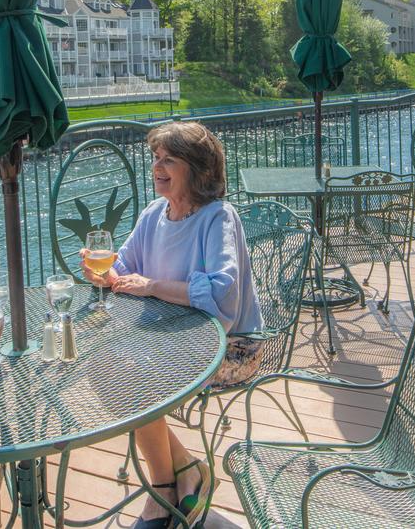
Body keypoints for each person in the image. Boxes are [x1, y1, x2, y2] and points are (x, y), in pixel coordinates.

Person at [80, 121, 261, 529]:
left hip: (230, 347)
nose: (157, 168)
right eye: (155, 159)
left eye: (170, 160)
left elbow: (222, 294)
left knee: (131, 376)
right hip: (172, 342)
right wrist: (105, 274)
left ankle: (162, 490)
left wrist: (152, 286)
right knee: (102, 365)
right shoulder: (153, 214)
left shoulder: (219, 218)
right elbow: (124, 268)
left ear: (197, 169)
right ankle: (183, 467)